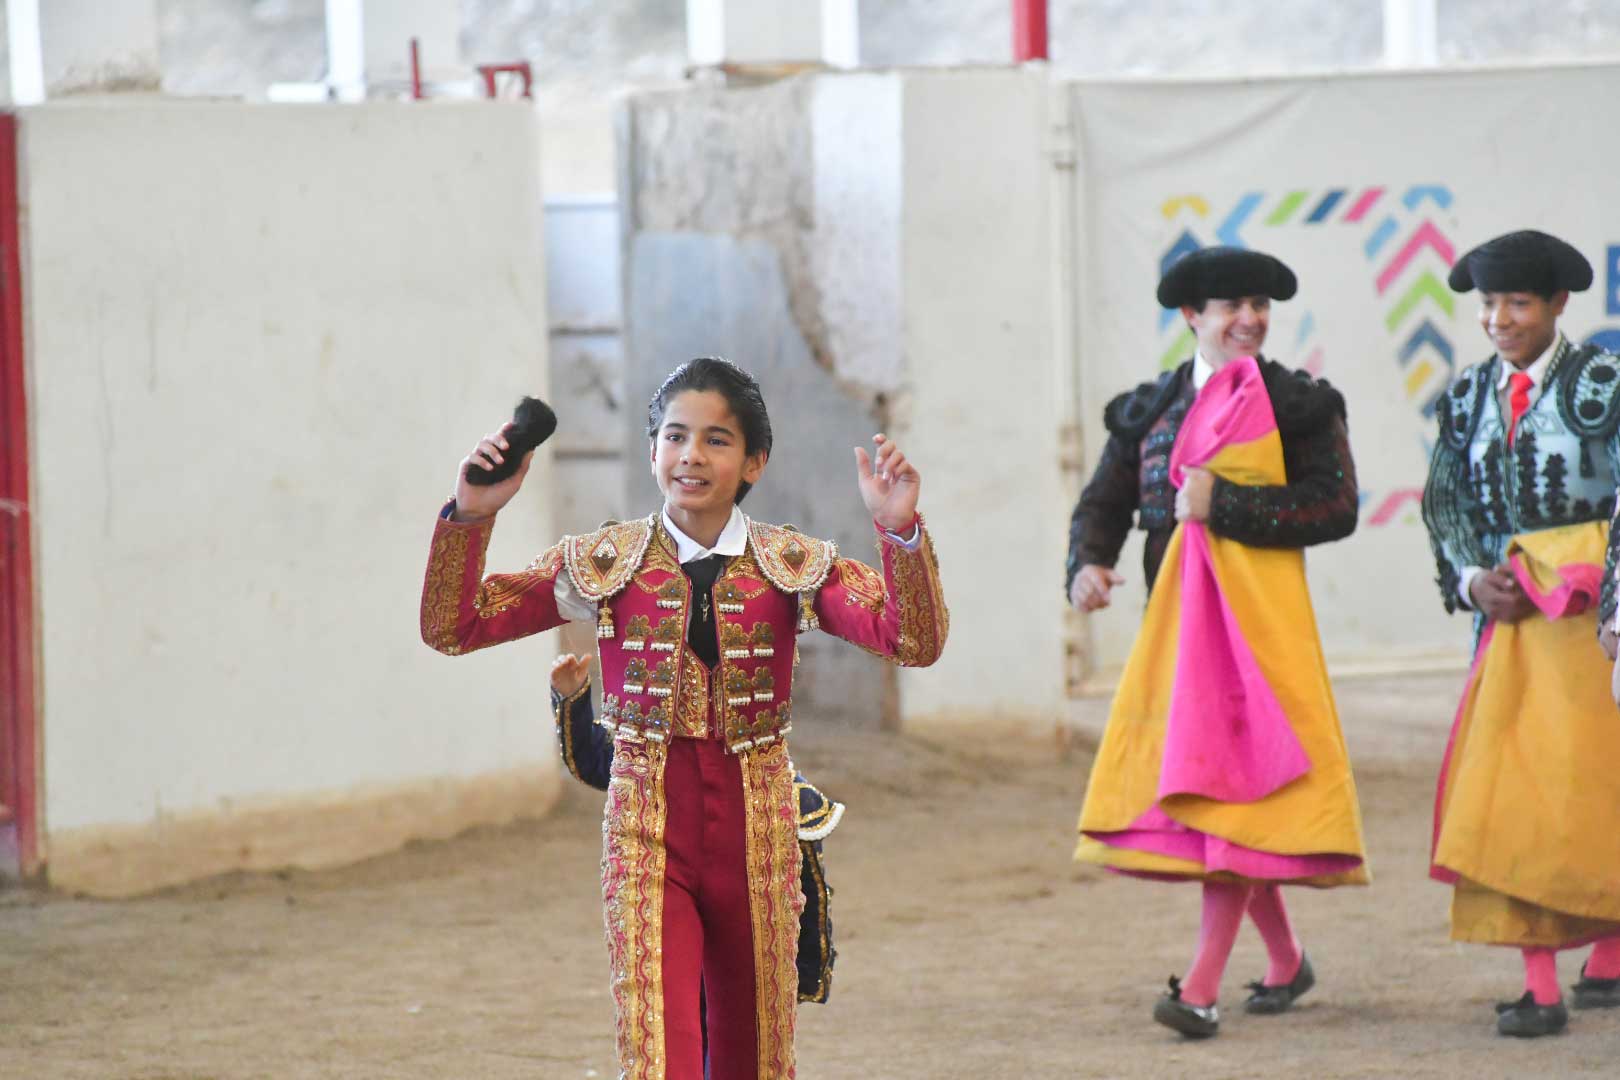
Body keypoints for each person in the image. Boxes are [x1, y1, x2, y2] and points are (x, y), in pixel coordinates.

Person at [421, 357, 948, 1079]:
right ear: (652, 450)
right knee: (658, 1047)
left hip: (758, 828)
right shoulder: (603, 562)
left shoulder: (792, 564)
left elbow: (912, 640)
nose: (691, 456)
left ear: (754, 460)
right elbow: (455, 624)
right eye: (675, 436)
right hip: (645, 825)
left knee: (752, 1057)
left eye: (716, 440)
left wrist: (899, 532)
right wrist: (473, 513)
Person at [1067, 246, 1368, 1039]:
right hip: (1178, 630)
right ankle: (1285, 960)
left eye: (1261, 305)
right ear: (1191, 316)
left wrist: (1222, 501)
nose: (1251, 319)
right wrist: (1088, 566)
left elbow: (1335, 505)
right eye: (1233, 306)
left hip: (1261, 628)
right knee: (1223, 791)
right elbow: (1104, 501)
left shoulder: (1300, 404)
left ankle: (1199, 989)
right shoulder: (1148, 410)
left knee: (1229, 793)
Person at [1420, 229, 1620, 1038]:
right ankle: (1541, 980)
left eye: (1517, 303)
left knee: (1594, 790)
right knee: (1516, 793)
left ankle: (1608, 948)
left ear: (1558, 305)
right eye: (1488, 304)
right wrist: (1473, 581)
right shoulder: (1466, 396)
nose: (1499, 319)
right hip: (1507, 632)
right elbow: (1445, 506)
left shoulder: (1604, 385)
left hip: (1589, 628)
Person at [547, 651, 843, 1008]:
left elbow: (804, 892)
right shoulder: (657, 754)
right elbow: (596, 761)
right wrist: (573, 697)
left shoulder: (769, 777)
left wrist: (800, 970)